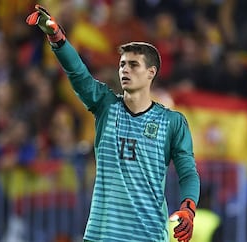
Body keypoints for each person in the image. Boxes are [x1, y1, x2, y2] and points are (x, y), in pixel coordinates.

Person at [26, 5, 200, 242]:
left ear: (151, 72)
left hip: (147, 236)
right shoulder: (106, 107)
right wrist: (57, 38)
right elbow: (78, 74)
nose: (125, 70)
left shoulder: (172, 122)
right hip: (102, 235)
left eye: (133, 65)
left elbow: (188, 172)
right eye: (122, 65)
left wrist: (188, 207)